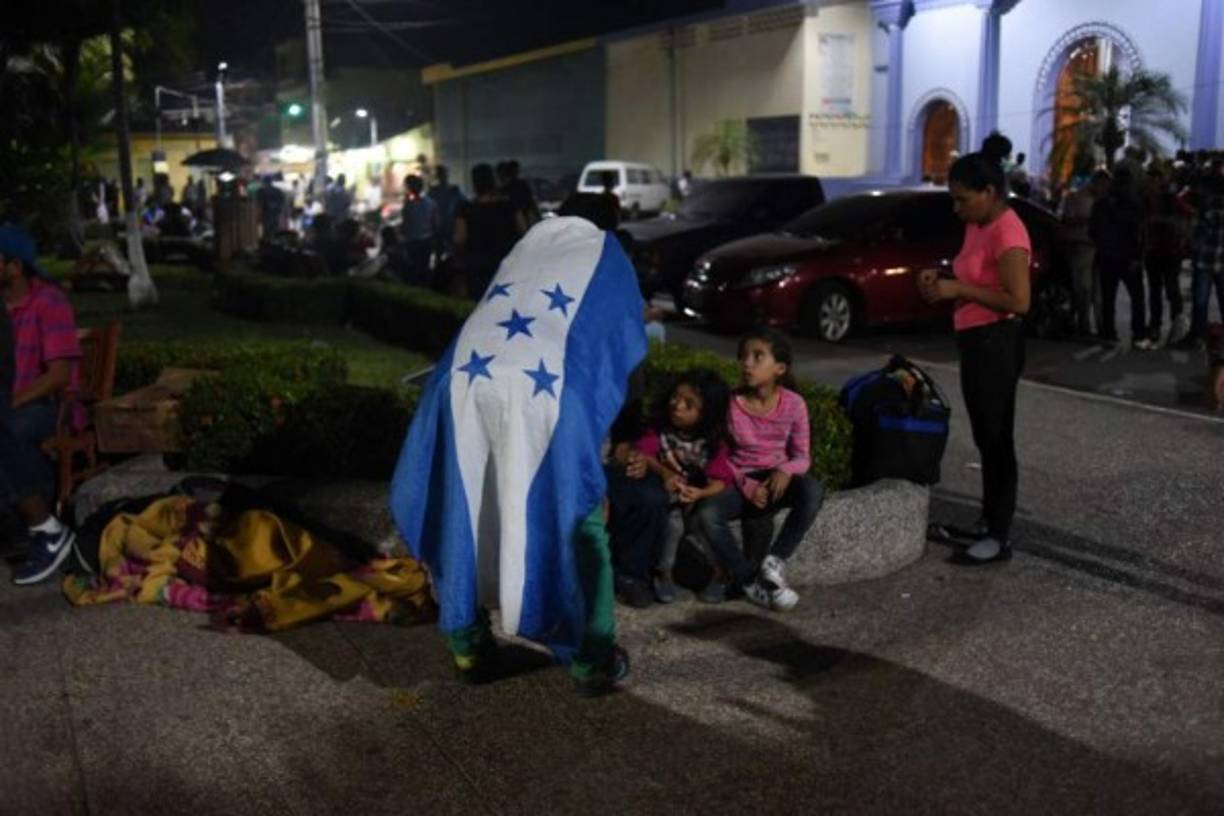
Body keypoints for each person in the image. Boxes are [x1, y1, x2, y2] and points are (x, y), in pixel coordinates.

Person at [389, 215, 647, 695]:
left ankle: (468, 645)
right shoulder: (609, 263)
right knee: (582, 528)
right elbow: (624, 364)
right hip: (550, 396)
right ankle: (593, 659)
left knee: (461, 513)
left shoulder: (524, 257)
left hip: (464, 382)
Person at [918, 151, 1030, 565]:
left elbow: (1019, 300)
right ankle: (988, 521)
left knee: (997, 437)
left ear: (990, 192)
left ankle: (999, 536)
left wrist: (959, 291)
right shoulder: (978, 225)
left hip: (997, 342)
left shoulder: (1007, 232)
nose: (957, 207)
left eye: (964, 199)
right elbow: (974, 276)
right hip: (975, 340)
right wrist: (944, 279)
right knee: (985, 436)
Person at [691, 328, 823, 610]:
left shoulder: (794, 404)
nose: (747, 363)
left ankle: (775, 561)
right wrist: (744, 483)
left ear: (779, 368)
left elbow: (802, 456)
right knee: (707, 513)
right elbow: (719, 457)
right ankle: (748, 581)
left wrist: (786, 470)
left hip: (777, 481)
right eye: (744, 357)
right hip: (740, 480)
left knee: (812, 489)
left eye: (757, 357)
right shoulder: (730, 404)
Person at [605, 369, 732, 607]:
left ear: (707, 413)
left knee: (702, 525)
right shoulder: (661, 430)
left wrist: (700, 493)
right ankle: (661, 574)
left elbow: (721, 480)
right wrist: (664, 472)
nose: (677, 406)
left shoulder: (714, 444)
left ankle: (722, 574)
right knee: (672, 526)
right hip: (671, 498)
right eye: (676, 397)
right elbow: (644, 452)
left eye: (688, 404)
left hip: (696, 498)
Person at [0, 226, 79, 584]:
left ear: (14, 266)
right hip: (12, 408)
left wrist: (11, 401)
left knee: (7, 427)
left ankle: (44, 527)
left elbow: (59, 375)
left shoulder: (48, 303)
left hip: (49, 407)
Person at [1091, 167, 1148, 347]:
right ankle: (1138, 334)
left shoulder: (1102, 204)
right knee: (1136, 298)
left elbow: (1093, 231)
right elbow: (1139, 233)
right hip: (1127, 257)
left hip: (1108, 256)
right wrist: (1137, 256)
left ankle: (1109, 333)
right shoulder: (1135, 205)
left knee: (1109, 297)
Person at [451, 163, 526, 298]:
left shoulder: (466, 209)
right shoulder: (510, 205)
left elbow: (460, 238)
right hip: (507, 264)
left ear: (474, 184)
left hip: (477, 266)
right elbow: (523, 231)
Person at [1142, 163, 1191, 346]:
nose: (1152, 183)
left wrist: (1167, 223)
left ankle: (1177, 327)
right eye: (1150, 179)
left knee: (1172, 289)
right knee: (1155, 290)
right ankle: (1155, 326)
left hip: (1170, 252)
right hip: (1153, 252)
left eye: (1155, 179)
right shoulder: (1145, 200)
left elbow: (1188, 215)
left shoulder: (1171, 199)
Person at [1177, 175, 1224, 350]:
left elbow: (1200, 235)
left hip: (1206, 260)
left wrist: (1191, 245)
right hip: (1220, 261)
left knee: (1200, 301)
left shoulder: (1209, 208)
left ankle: (1198, 337)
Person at [1059, 172, 1106, 336]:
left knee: (1096, 290)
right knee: (1084, 288)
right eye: (1102, 185)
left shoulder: (1101, 201)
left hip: (1095, 247)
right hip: (1082, 246)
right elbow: (1066, 220)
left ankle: (1100, 327)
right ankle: (1084, 325)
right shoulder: (1076, 198)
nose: (1104, 189)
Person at [399, 174, 438, 286]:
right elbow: (435, 225)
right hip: (426, 242)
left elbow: (405, 226)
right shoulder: (431, 203)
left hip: (412, 243)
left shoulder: (408, 205)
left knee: (413, 272)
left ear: (410, 188)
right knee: (424, 270)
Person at [427, 165, 465, 254]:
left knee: (451, 251)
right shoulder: (433, 191)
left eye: (443, 174)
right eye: (441, 174)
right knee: (440, 252)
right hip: (440, 226)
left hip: (450, 225)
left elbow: (464, 204)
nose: (443, 176)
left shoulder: (454, 190)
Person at [498, 160, 541, 227]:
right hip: (522, 216)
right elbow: (531, 202)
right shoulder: (521, 185)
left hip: (515, 218)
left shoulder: (505, 188)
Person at [256, 174, 286, 240]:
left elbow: (259, 204)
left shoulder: (261, 191)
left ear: (264, 182)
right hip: (275, 214)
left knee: (266, 232)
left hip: (266, 214)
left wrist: (258, 216)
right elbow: (282, 202)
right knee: (275, 231)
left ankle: (267, 246)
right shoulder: (278, 191)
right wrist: (278, 210)